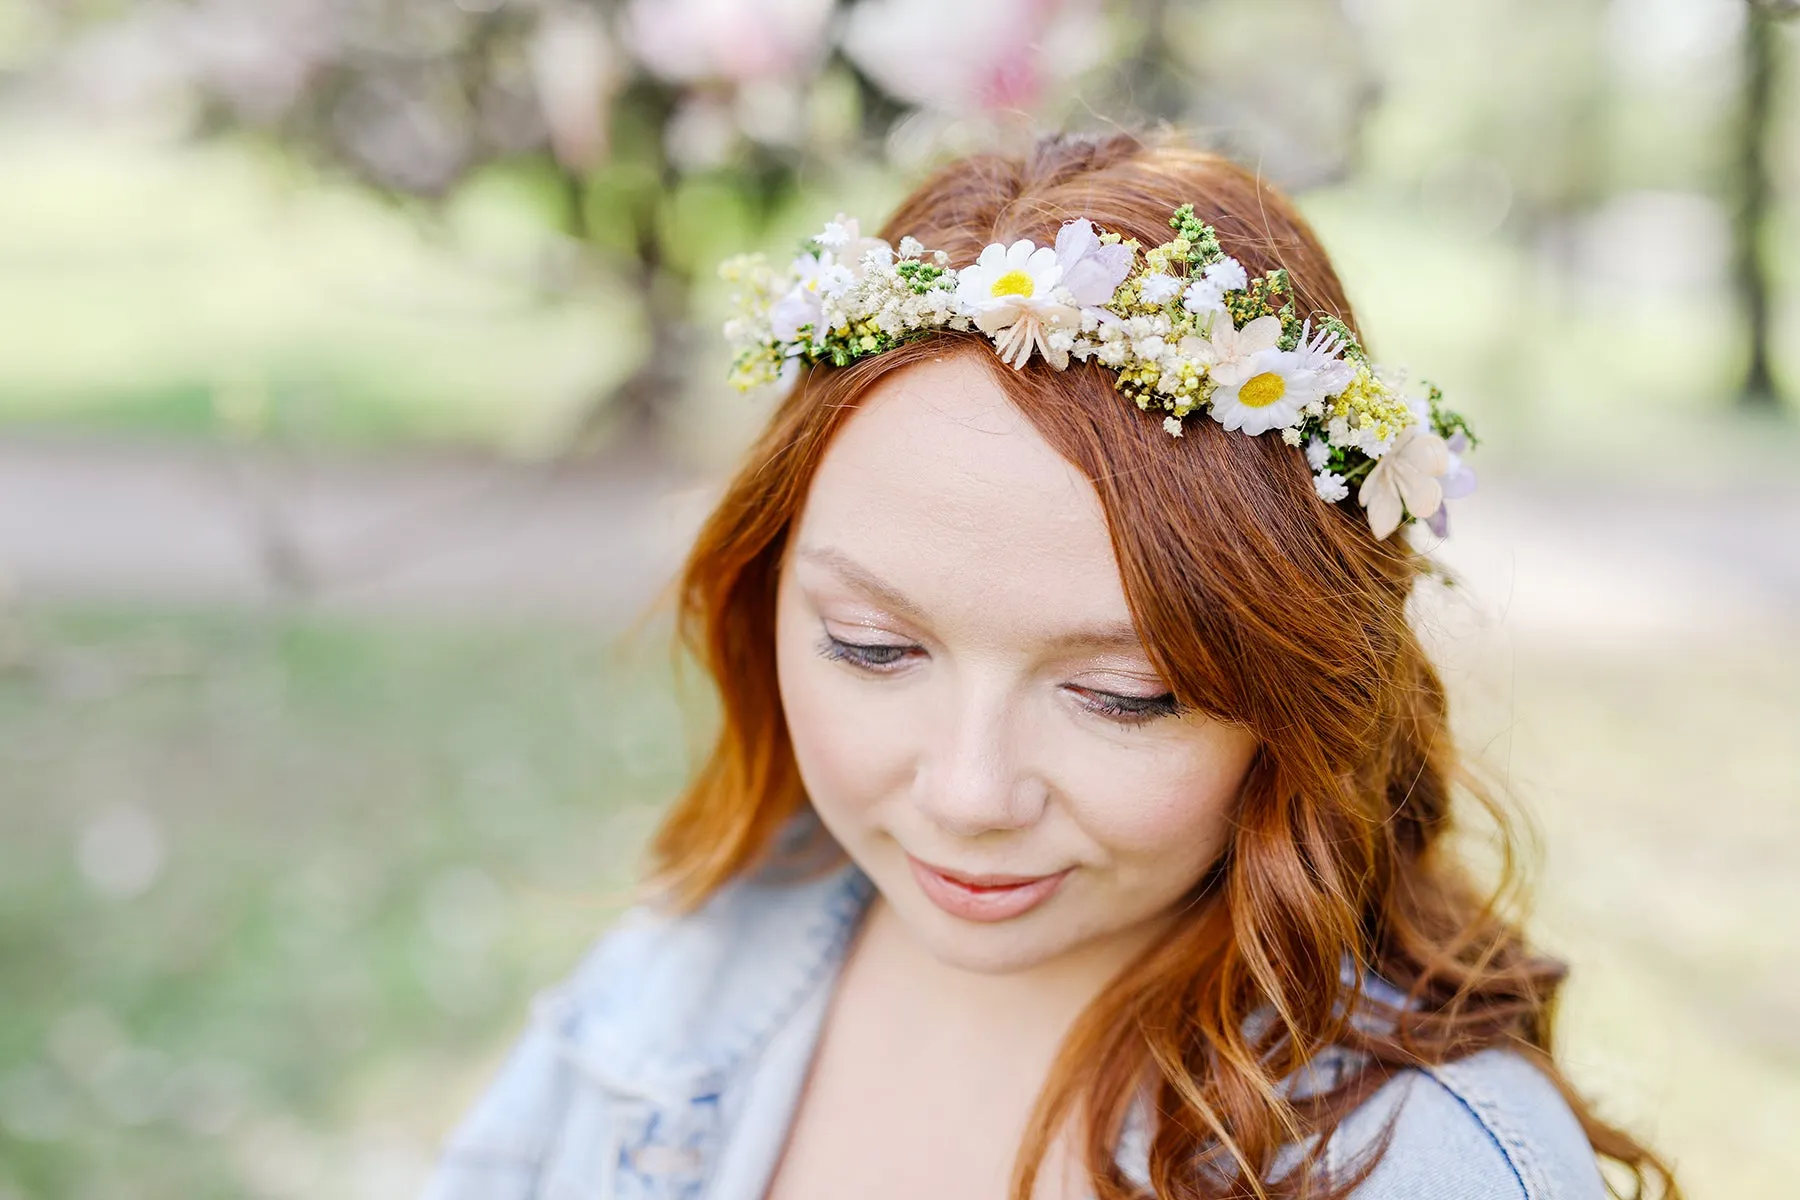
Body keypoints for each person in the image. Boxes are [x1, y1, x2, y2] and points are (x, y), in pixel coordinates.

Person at [421, 132, 1676, 1200]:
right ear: (767, 599)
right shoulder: (700, 956)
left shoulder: (1427, 1165)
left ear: (1296, 703)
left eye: (1121, 696)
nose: (970, 795)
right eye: (873, 647)